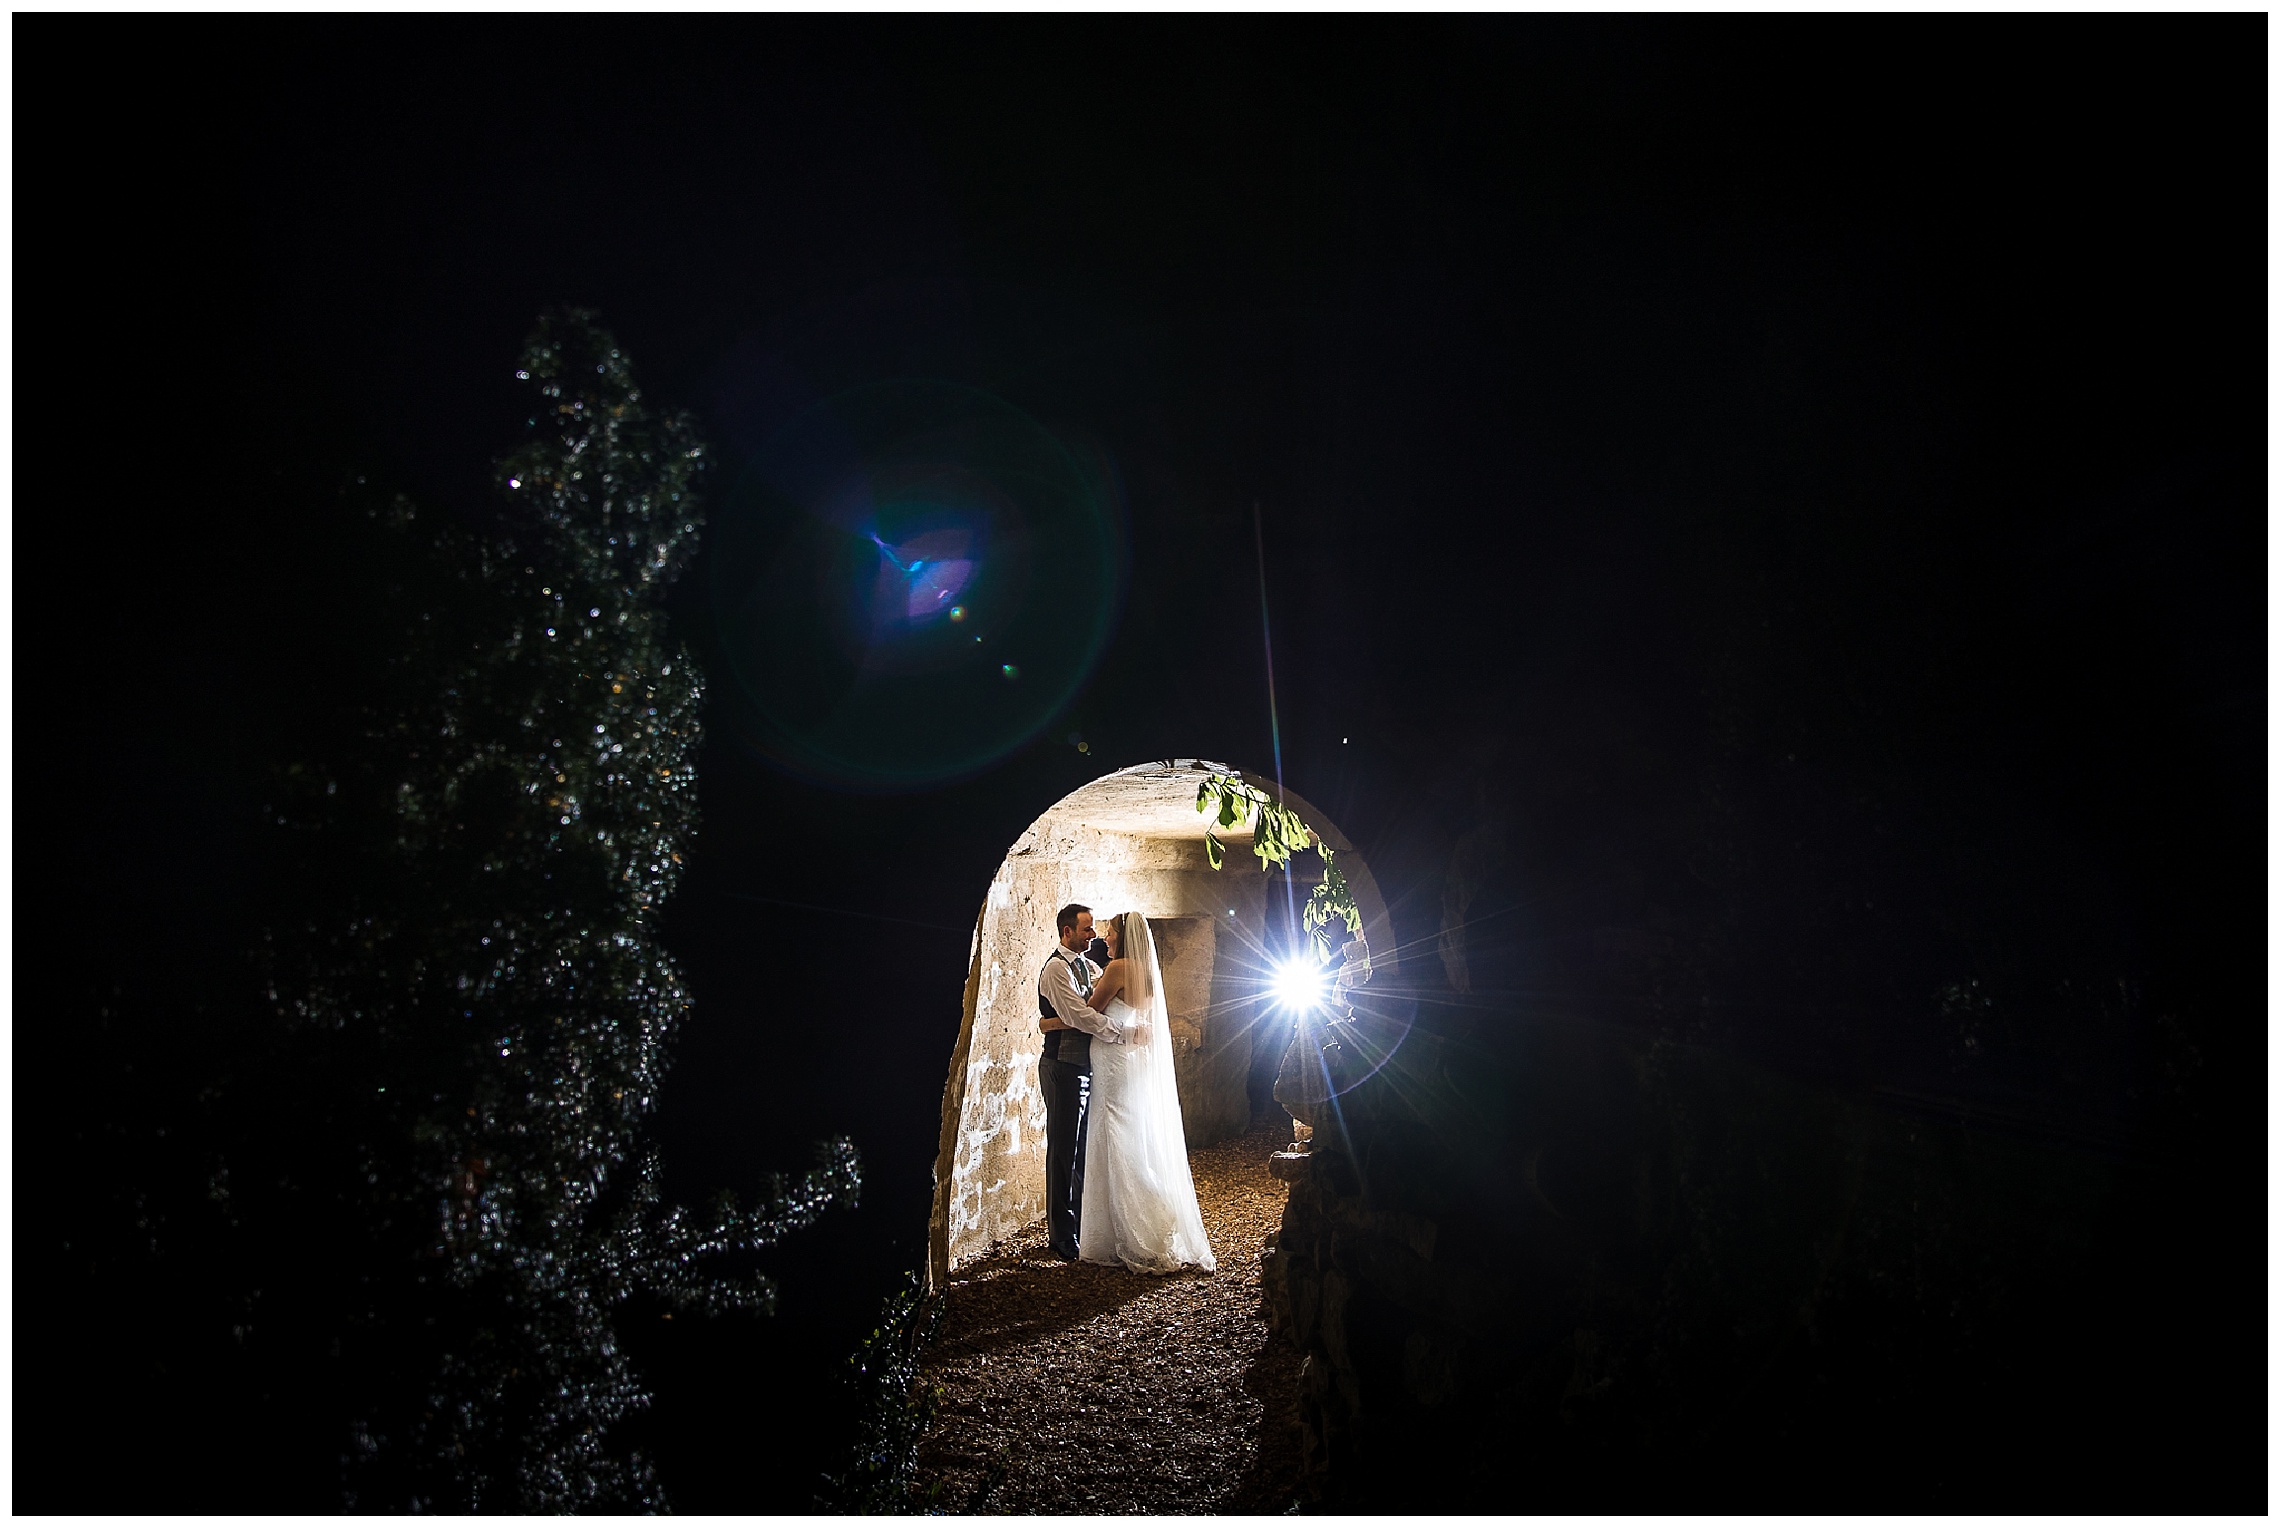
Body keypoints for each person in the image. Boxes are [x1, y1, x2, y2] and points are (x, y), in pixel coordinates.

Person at [1075, 911, 1216, 1273]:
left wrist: (1055, 1017)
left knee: (1114, 1132)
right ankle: (1143, 1217)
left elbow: (1091, 1012)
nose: (1105, 939)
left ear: (1123, 936)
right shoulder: (1147, 971)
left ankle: (1136, 1228)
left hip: (1113, 1060)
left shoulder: (1117, 968)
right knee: (1131, 1131)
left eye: (1109, 933)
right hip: (1131, 1060)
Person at [1035, 903, 1132, 1261]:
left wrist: (1055, 1021)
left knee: (1082, 1150)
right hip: (1062, 1065)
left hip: (1086, 1066)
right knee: (1062, 1150)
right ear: (1067, 932)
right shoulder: (1056, 970)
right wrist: (1121, 1034)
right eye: (1087, 929)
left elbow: (1094, 1008)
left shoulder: (1089, 967)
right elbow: (1081, 1017)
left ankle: (1079, 1224)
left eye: (1094, 930)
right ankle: (1061, 1235)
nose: (1092, 935)